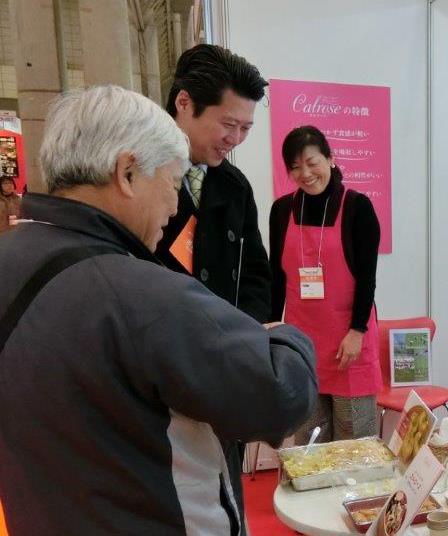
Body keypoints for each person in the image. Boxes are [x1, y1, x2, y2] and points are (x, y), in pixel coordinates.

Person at [0, 85, 317, 535]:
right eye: (171, 184)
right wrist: (285, 334)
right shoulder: (137, 293)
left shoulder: (12, 257)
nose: (175, 206)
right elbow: (281, 393)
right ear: (126, 173)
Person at [154, 44, 272, 521]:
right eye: (228, 125)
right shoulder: (141, 177)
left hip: (221, 372)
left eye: (245, 128)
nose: (236, 140)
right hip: (162, 373)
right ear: (184, 103)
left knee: (226, 491)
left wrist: (245, 336)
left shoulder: (234, 186)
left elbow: (257, 273)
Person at [269, 125, 382, 444]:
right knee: (310, 444)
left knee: (354, 445)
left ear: (330, 159)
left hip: (349, 343)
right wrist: (273, 333)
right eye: (294, 166)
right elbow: (275, 277)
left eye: (311, 161)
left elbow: (367, 278)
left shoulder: (358, 208)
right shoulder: (281, 211)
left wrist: (357, 330)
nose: (304, 173)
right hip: (301, 344)